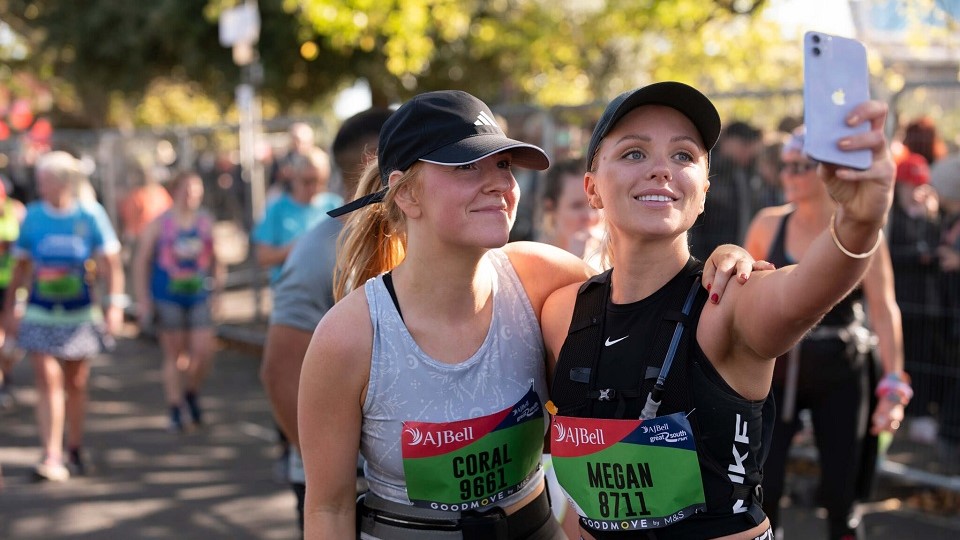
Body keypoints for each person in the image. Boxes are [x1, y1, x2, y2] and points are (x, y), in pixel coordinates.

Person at [297, 90, 760, 539]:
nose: (498, 181)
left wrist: (723, 260)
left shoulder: (542, 279)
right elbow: (328, 507)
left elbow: (647, 305)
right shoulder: (351, 336)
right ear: (406, 194)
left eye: (502, 164)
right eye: (465, 166)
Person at [541, 82, 902, 540]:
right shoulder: (560, 313)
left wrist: (859, 222)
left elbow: (805, 290)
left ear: (704, 191)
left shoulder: (726, 299)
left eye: (683, 156)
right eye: (634, 153)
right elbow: (586, 496)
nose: (660, 170)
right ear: (592, 189)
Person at [743, 127, 907, 540]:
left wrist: (892, 385)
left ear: (828, 170)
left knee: (841, 489)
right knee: (765, 481)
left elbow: (884, 309)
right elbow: (745, 298)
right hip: (779, 369)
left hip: (841, 366)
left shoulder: (862, 228)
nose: (789, 176)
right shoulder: (769, 223)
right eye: (786, 166)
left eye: (802, 167)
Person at [259, 107, 393, 532]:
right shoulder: (321, 251)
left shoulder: (414, 240)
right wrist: (330, 466)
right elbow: (279, 372)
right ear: (378, 163)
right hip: (345, 485)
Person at [2, 150, 125, 481]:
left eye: (45, 181)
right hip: (41, 312)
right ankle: (51, 453)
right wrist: (11, 309)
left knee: (76, 382)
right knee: (48, 380)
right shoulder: (34, 217)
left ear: (64, 182)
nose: (40, 187)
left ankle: (74, 447)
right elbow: (21, 267)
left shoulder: (90, 214)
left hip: (79, 315)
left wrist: (115, 304)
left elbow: (111, 263)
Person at [133, 170, 224, 433]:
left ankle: (191, 392)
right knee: (175, 355)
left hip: (198, 296)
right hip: (167, 297)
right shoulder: (160, 223)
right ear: (175, 192)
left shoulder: (205, 221)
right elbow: (142, 261)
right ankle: (175, 406)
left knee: (203, 351)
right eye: (186, 190)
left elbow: (217, 258)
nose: (191, 196)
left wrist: (217, 290)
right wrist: (143, 300)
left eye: (196, 191)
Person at [886, 153, 945, 437]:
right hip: (897, 300)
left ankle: (920, 412)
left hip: (925, 304)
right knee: (897, 359)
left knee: (923, 358)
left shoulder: (931, 217)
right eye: (910, 186)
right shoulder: (891, 217)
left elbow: (939, 251)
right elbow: (888, 254)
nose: (914, 193)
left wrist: (930, 219)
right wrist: (917, 255)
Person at [251, 146, 342, 285]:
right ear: (294, 177)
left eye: (320, 181)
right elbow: (262, 256)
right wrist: (301, 247)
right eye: (307, 181)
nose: (313, 188)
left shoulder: (335, 205)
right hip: (291, 287)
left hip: (330, 286)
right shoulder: (277, 209)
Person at [689, 120, 763, 260]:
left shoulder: (742, 172)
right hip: (701, 255)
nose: (747, 152)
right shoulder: (706, 167)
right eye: (744, 145)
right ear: (728, 140)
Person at [536, 157, 603, 267]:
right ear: (551, 208)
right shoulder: (532, 262)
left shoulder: (616, 259)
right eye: (577, 206)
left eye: (595, 205)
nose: (590, 216)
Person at [0, 182, 26, 409]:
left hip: (12, 284)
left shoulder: (17, 211)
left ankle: (6, 375)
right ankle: (3, 384)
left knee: (13, 336)